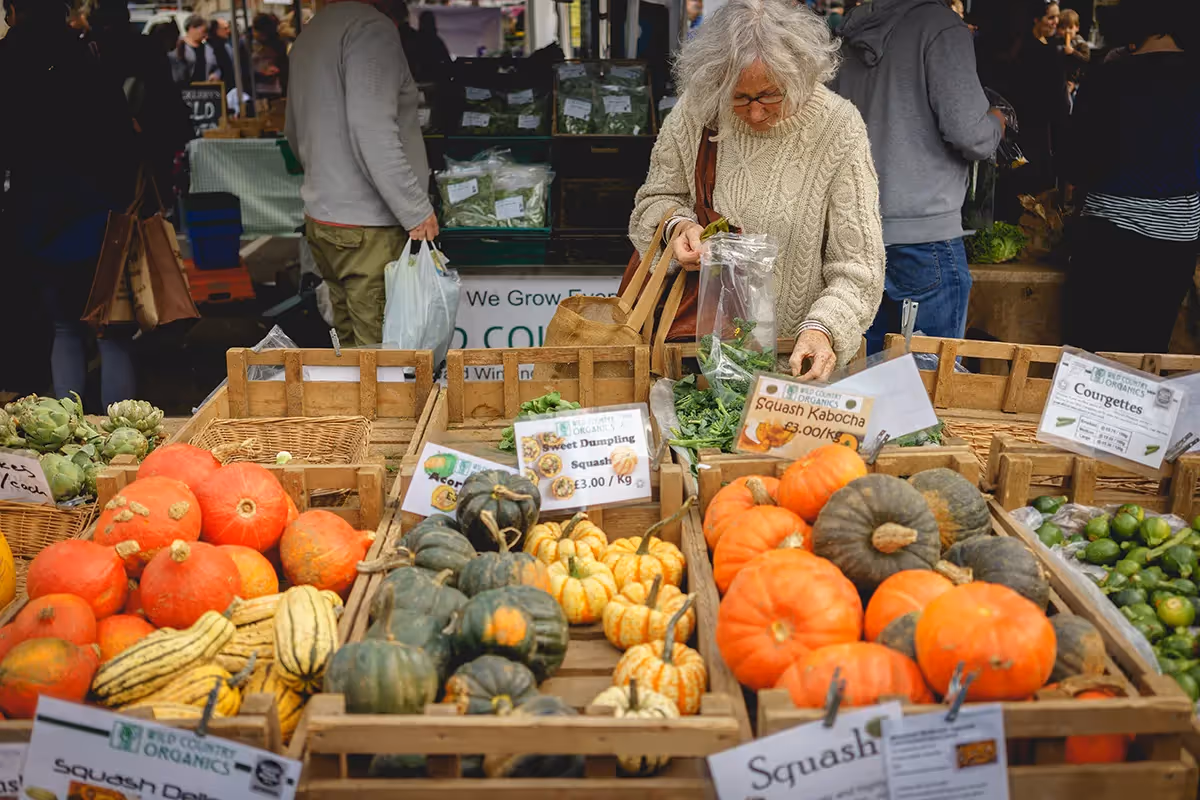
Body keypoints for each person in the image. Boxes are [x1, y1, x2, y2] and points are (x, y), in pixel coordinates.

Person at [629, 0, 885, 379]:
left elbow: (859, 264)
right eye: (739, 97)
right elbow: (655, 199)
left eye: (770, 95)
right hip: (695, 366)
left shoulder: (838, 127)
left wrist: (824, 328)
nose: (754, 113)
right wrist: (679, 228)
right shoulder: (696, 111)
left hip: (795, 371)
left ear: (799, 75)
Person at [833, 0, 1004, 351]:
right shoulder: (940, 26)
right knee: (928, 387)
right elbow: (970, 135)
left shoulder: (845, 31)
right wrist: (998, 121)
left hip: (855, 231)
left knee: (862, 379)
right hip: (927, 237)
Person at [0, 0, 140, 407]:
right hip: (100, 215)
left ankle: (72, 429)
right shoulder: (89, 56)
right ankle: (120, 436)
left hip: (35, 216)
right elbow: (122, 139)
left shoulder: (8, 61)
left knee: (63, 327)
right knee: (110, 329)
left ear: (13, 10)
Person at [286, 0, 438, 347]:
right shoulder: (371, 30)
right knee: (379, 356)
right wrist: (415, 208)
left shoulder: (312, 32)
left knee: (352, 349)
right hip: (367, 225)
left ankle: (359, 403)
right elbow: (372, 131)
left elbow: (294, 132)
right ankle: (375, 404)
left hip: (324, 218)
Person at [1060, 0, 1200, 354]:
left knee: (1090, 358)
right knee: (1145, 354)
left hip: (1107, 234)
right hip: (1177, 238)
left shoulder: (1108, 75)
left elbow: (1075, 163)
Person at [86, 0, 192, 204]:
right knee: (147, 198)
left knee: (115, 200)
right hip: (148, 132)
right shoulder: (145, 45)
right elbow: (164, 91)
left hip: (109, 138)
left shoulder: (94, 47)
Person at [978, 0, 1066, 220]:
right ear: (1035, 19)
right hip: (1035, 138)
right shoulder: (1047, 55)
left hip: (1002, 138)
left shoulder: (1003, 52)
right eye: (1051, 17)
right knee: (1033, 211)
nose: (1056, 22)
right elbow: (1060, 107)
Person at [168, 14, 218, 87]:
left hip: (206, 91)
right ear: (192, 28)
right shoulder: (178, 46)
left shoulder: (209, 48)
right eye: (203, 31)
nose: (206, 35)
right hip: (186, 92)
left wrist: (215, 75)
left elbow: (216, 68)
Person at [250, 13, 287, 100]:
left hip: (275, 90)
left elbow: (284, 67)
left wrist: (277, 70)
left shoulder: (278, 44)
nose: (263, 37)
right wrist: (261, 74)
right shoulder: (246, 43)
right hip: (255, 90)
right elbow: (244, 70)